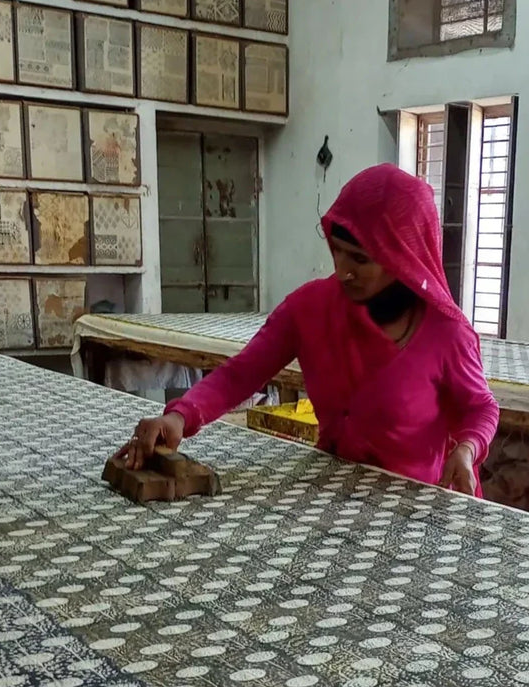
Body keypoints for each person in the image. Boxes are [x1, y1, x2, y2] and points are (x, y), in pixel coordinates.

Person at [119, 164, 500, 495]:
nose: (343, 271)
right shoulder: (310, 309)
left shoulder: (445, 333)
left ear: (402, 260)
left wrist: (466, 449)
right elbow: (241, 373)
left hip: (417, 505)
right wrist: (180, 417)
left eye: (360, 260)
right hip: (333, 491)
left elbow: (481, 407)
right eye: (337, 251)